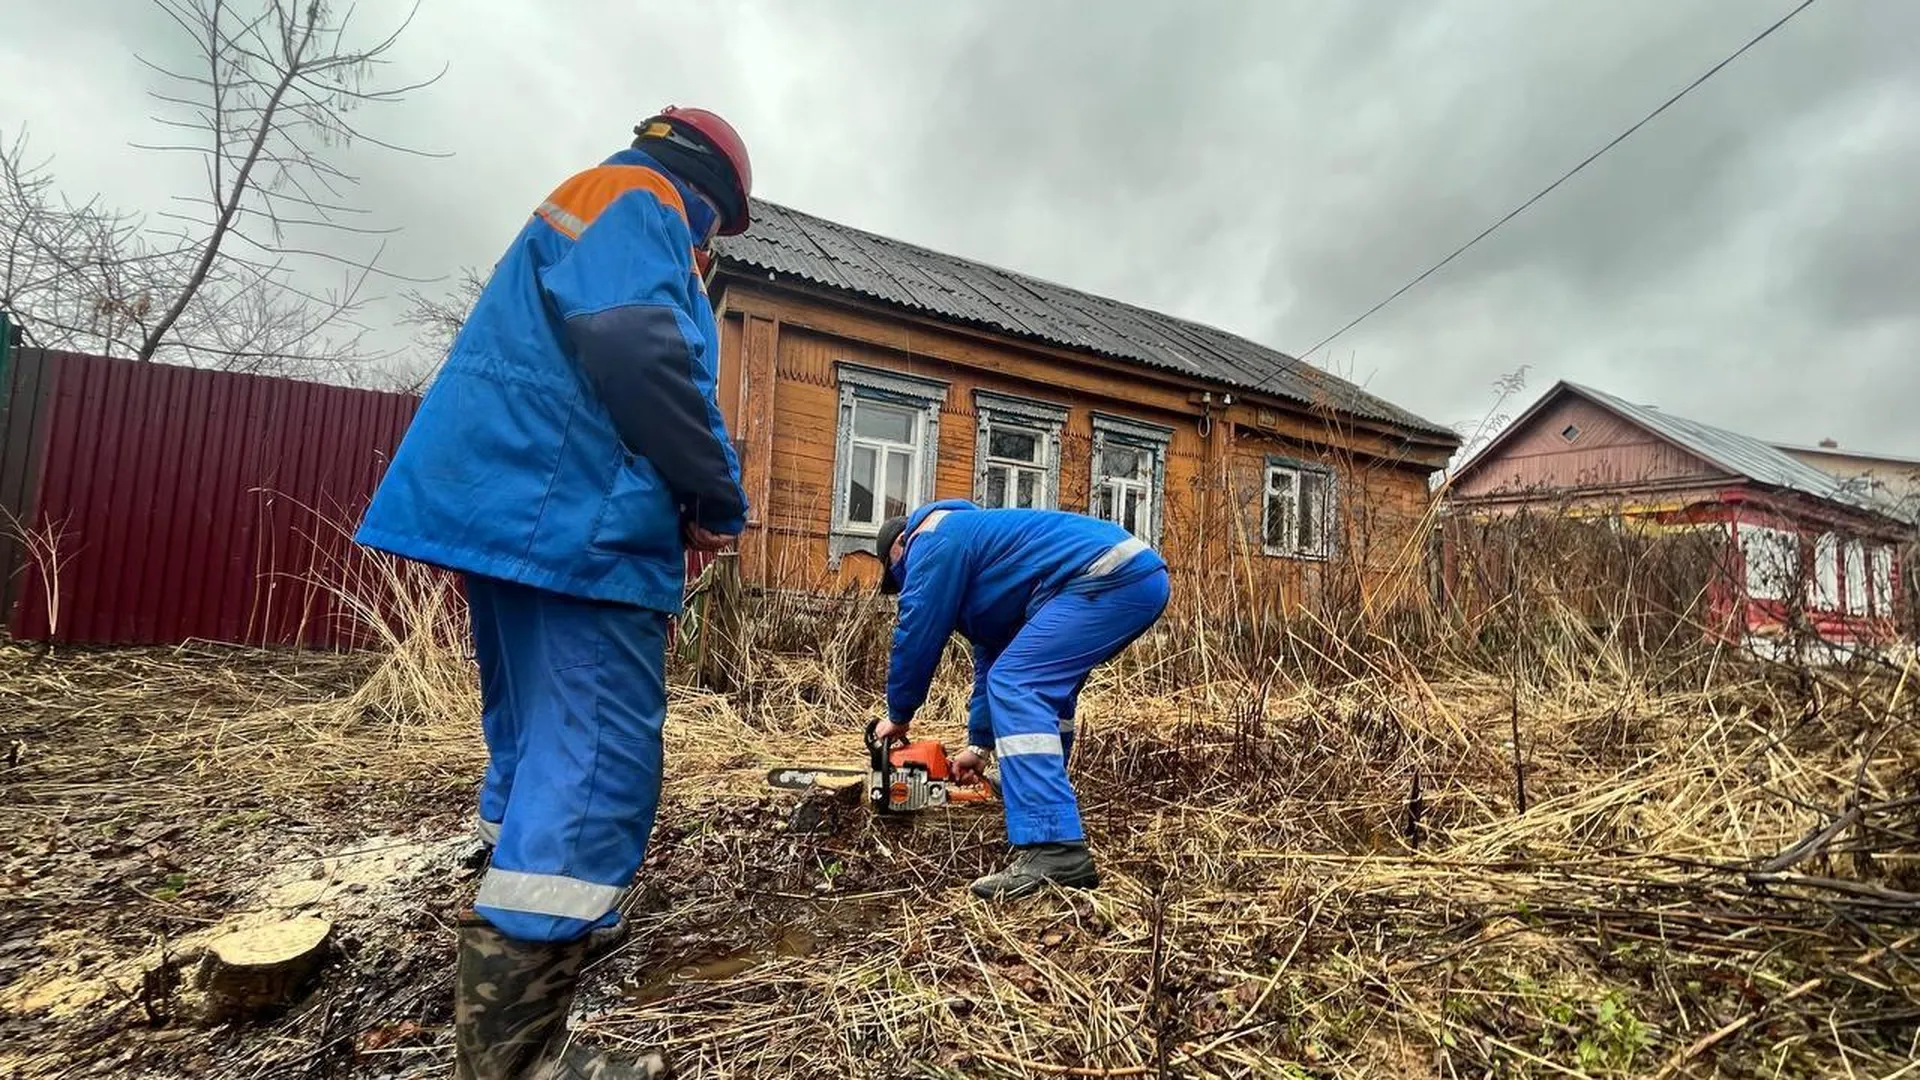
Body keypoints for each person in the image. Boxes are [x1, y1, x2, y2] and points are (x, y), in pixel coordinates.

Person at [354, 105, 753, 1080]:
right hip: (581, 521)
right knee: (597, 760)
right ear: (711, 199)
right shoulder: (640, 200)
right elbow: (639, 348)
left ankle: (534, 920)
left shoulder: (585, 201)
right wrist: (711, 489)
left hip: (520, 512)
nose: (706, 254)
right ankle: (518, 1050)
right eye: (717, 236)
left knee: (534, 736)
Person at [870, 498, 1170, 900]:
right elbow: (992, 657)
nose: (903, 584)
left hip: (1109, 576)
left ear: (899, 546)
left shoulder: (932, 538)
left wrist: (899, 714)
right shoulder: (985, 554)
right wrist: (979, 746)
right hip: (1133, 576)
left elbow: (917, 628)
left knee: (1020, 684)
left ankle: (1055, 848)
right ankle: (1038, 792)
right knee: (1038, 687)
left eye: (898, 576)